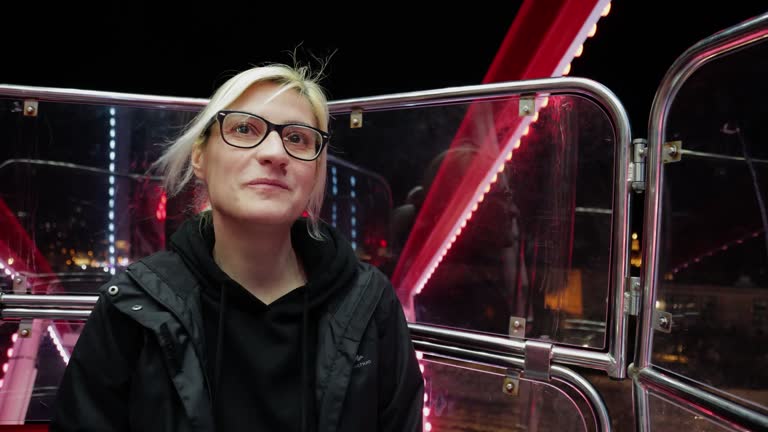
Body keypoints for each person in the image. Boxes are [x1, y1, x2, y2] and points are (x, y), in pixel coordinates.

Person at [50, 63, 424, 432]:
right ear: (200, 158)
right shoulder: (131, 307)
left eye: (298, 138)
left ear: (315, 173)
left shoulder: (371, 303)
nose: (276, 152)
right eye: (244, 128)